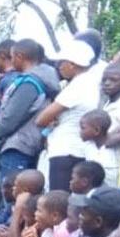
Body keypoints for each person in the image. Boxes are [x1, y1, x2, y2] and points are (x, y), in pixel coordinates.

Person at [0, 39, 59, 185]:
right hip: (30, 141)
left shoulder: (29, 84)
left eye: (12, 57)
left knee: (13, 190)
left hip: (18, 145)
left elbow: (10, 118)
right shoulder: (43, 79)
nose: (11, 61)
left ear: (20, 56)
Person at [36, 40, 100, 191]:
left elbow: (41, 119)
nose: (59, 66)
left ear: (72, 64)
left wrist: (51, 121)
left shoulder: (78, 85)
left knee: (58, 198)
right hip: (76, 149)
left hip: (65, 150)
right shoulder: (90, 82)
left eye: (62, 62)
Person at [79, 110, 118, 187]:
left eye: (83, 128)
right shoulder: (87, 145)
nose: (80, 131)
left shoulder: (116, 147)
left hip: (112, 190)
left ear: (97, 130)